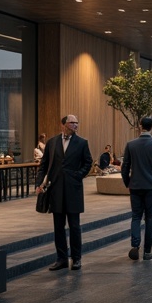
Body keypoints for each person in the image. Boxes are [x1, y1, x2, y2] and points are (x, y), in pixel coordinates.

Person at [35, 114, 93, 270]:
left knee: (74, 226)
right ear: (63, 125)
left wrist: (78, 175)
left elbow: (88, 163)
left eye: (76, 123)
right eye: (72, 123)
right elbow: (44, 165)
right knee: (58, 226)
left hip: (74, 190)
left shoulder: (82, 143)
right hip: (56, 190)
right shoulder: (52, 142)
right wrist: (39, 184)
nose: (75, 125)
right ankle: (61, 259)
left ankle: (76, 258)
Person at [121, 116, 152, 261]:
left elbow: (125, 166)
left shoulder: (131, 145)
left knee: (135, 216)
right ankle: (147, 251)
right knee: (150, 218)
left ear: (140, 126)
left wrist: (128, 182)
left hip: (135, 186)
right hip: (151, 186)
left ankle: (135, 246)